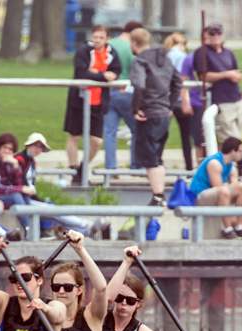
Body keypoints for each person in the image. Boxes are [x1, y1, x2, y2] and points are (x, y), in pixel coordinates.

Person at [101, 246, 206, 331]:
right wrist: (126, 262)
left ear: (138, 303)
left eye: (131, 300)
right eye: (119, 298)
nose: (124, 303)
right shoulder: (98, 316)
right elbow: (106, 296)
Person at [14, 132, 109, 239]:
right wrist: (39, 200)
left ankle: (87, 231)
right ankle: (88, 225)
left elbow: (30, 187)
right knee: (55, 212)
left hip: (27, 199)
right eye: (34, 145)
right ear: (27, 145)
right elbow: (22, 185)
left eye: (40, 147)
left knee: (55, 216)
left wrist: (40, 200)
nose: (37, 149)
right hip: (20, 200)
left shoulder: (32, 162)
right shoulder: (19, 160)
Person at [129, 27, 182, 206]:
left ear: (134, 43)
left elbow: (139, 85)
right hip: (163, 114)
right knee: (157, 157)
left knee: (150, 159)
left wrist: (136, 109)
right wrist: (170, 105)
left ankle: (158, 196)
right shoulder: (165, 59)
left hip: (149, 114)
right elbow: (178, 82)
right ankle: (159, 195)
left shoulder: (139, 61)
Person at [65, 24, 122, 179]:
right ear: (92, 37)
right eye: (95, 37)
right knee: (74, 135)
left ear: (107, 39)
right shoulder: (84, 51)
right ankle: (73, 167)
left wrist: (99, 73)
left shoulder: (111, 52)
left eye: (101, 38)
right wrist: (103, 76)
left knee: (96, 141)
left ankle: (82, 168)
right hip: (79, 99)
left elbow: (116, 71)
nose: (98, 40)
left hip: (98, 102)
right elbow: (81, 72)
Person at [49, 235, 109, 331]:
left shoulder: (91, 316)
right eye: (56, 287)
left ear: (79, 290)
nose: (61, 291)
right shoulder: (45, 315)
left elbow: (101, 288)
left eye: (68, 287)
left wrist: (80, 249)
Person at [104, 20, 143, 171]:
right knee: (136, 130)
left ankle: (110, 168)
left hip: (108, 91)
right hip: (126, 92)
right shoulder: (132, 47)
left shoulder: (110, 44)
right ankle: (135, 165)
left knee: (109, 133)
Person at [190, 137, 242, 239]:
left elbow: (235, 190)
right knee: (223, 190)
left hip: (217, 196)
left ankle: (238, 226)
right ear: (232, 152)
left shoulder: (231, 167)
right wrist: (231, 217)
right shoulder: (215, 163)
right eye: (240, 151)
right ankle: (228, 229)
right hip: (199, 197)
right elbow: (219, 189)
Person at [198, 22, 242, 147]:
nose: (215, 35)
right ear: (206, 36)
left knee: (237, 138)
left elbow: (236, 71)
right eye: (212, 33)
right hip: (222, 102)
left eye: (218, 32)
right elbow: (204, 76)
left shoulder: (228, 52)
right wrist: (227, 75)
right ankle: (241, 166)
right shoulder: (203, 52)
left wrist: (236, 76)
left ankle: (229, 165)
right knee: (232, 141)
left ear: (223, 34)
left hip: (236, 99)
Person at [0, 132, 35, 235]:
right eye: (5, 147)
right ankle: (30, 230)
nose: (7, 151)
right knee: (16, 196)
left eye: (10, 149)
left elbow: (16, 183)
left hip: (1, 195)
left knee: (24, 195)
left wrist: (16, 165)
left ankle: (33, 227)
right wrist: (21, 189)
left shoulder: (9, 161)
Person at [165, 32, 194, 171]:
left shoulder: (166, 56)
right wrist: (185, 101)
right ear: (182, 44)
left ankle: (156, 163)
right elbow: (183, 80)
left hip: (165, 99)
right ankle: (189, 166)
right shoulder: (183, 57)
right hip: (179, 99)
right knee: (186, 136)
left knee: (162, 134)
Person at [180, 42, 206, 166]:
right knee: (198, 140)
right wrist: (185, 102)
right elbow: (182, 81)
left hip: (215, 102)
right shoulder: (190, 58)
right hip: (196, 103)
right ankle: (201, 167)